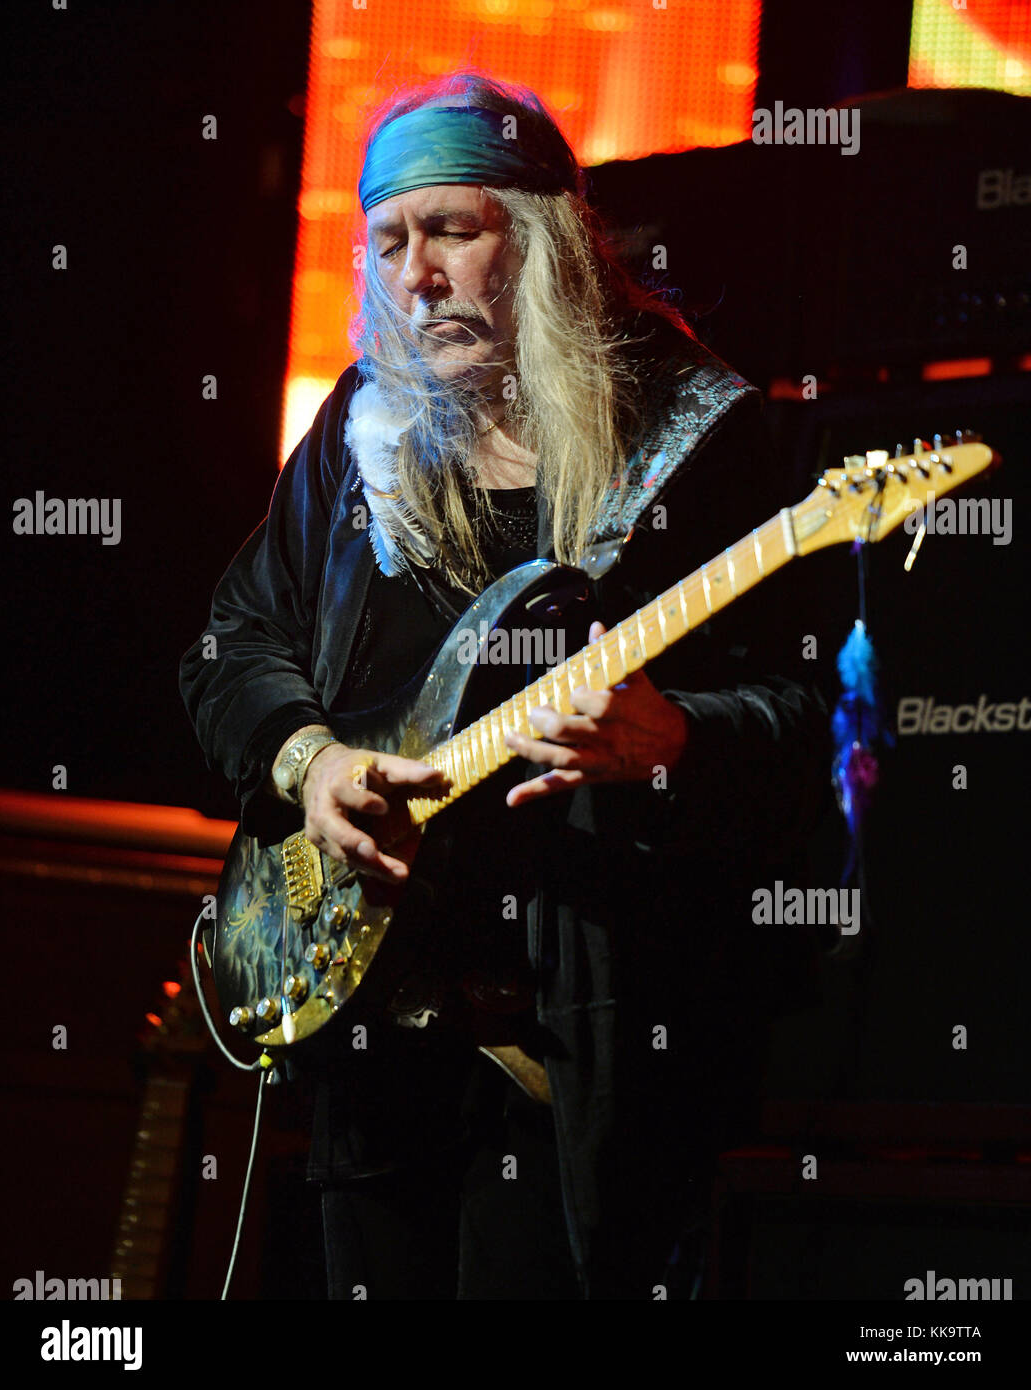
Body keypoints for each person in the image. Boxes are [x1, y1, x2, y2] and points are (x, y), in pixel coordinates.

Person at [180, 70, 830, 1300]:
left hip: (578, 1041)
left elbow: (809, 723)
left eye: (451, 232)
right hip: (369, 1027)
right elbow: (229, 643)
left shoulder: (696, 435)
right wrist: (311, 763)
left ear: (534, 239)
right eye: (387, 241)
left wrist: (669, 739)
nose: (415, 274)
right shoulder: (359, 435)